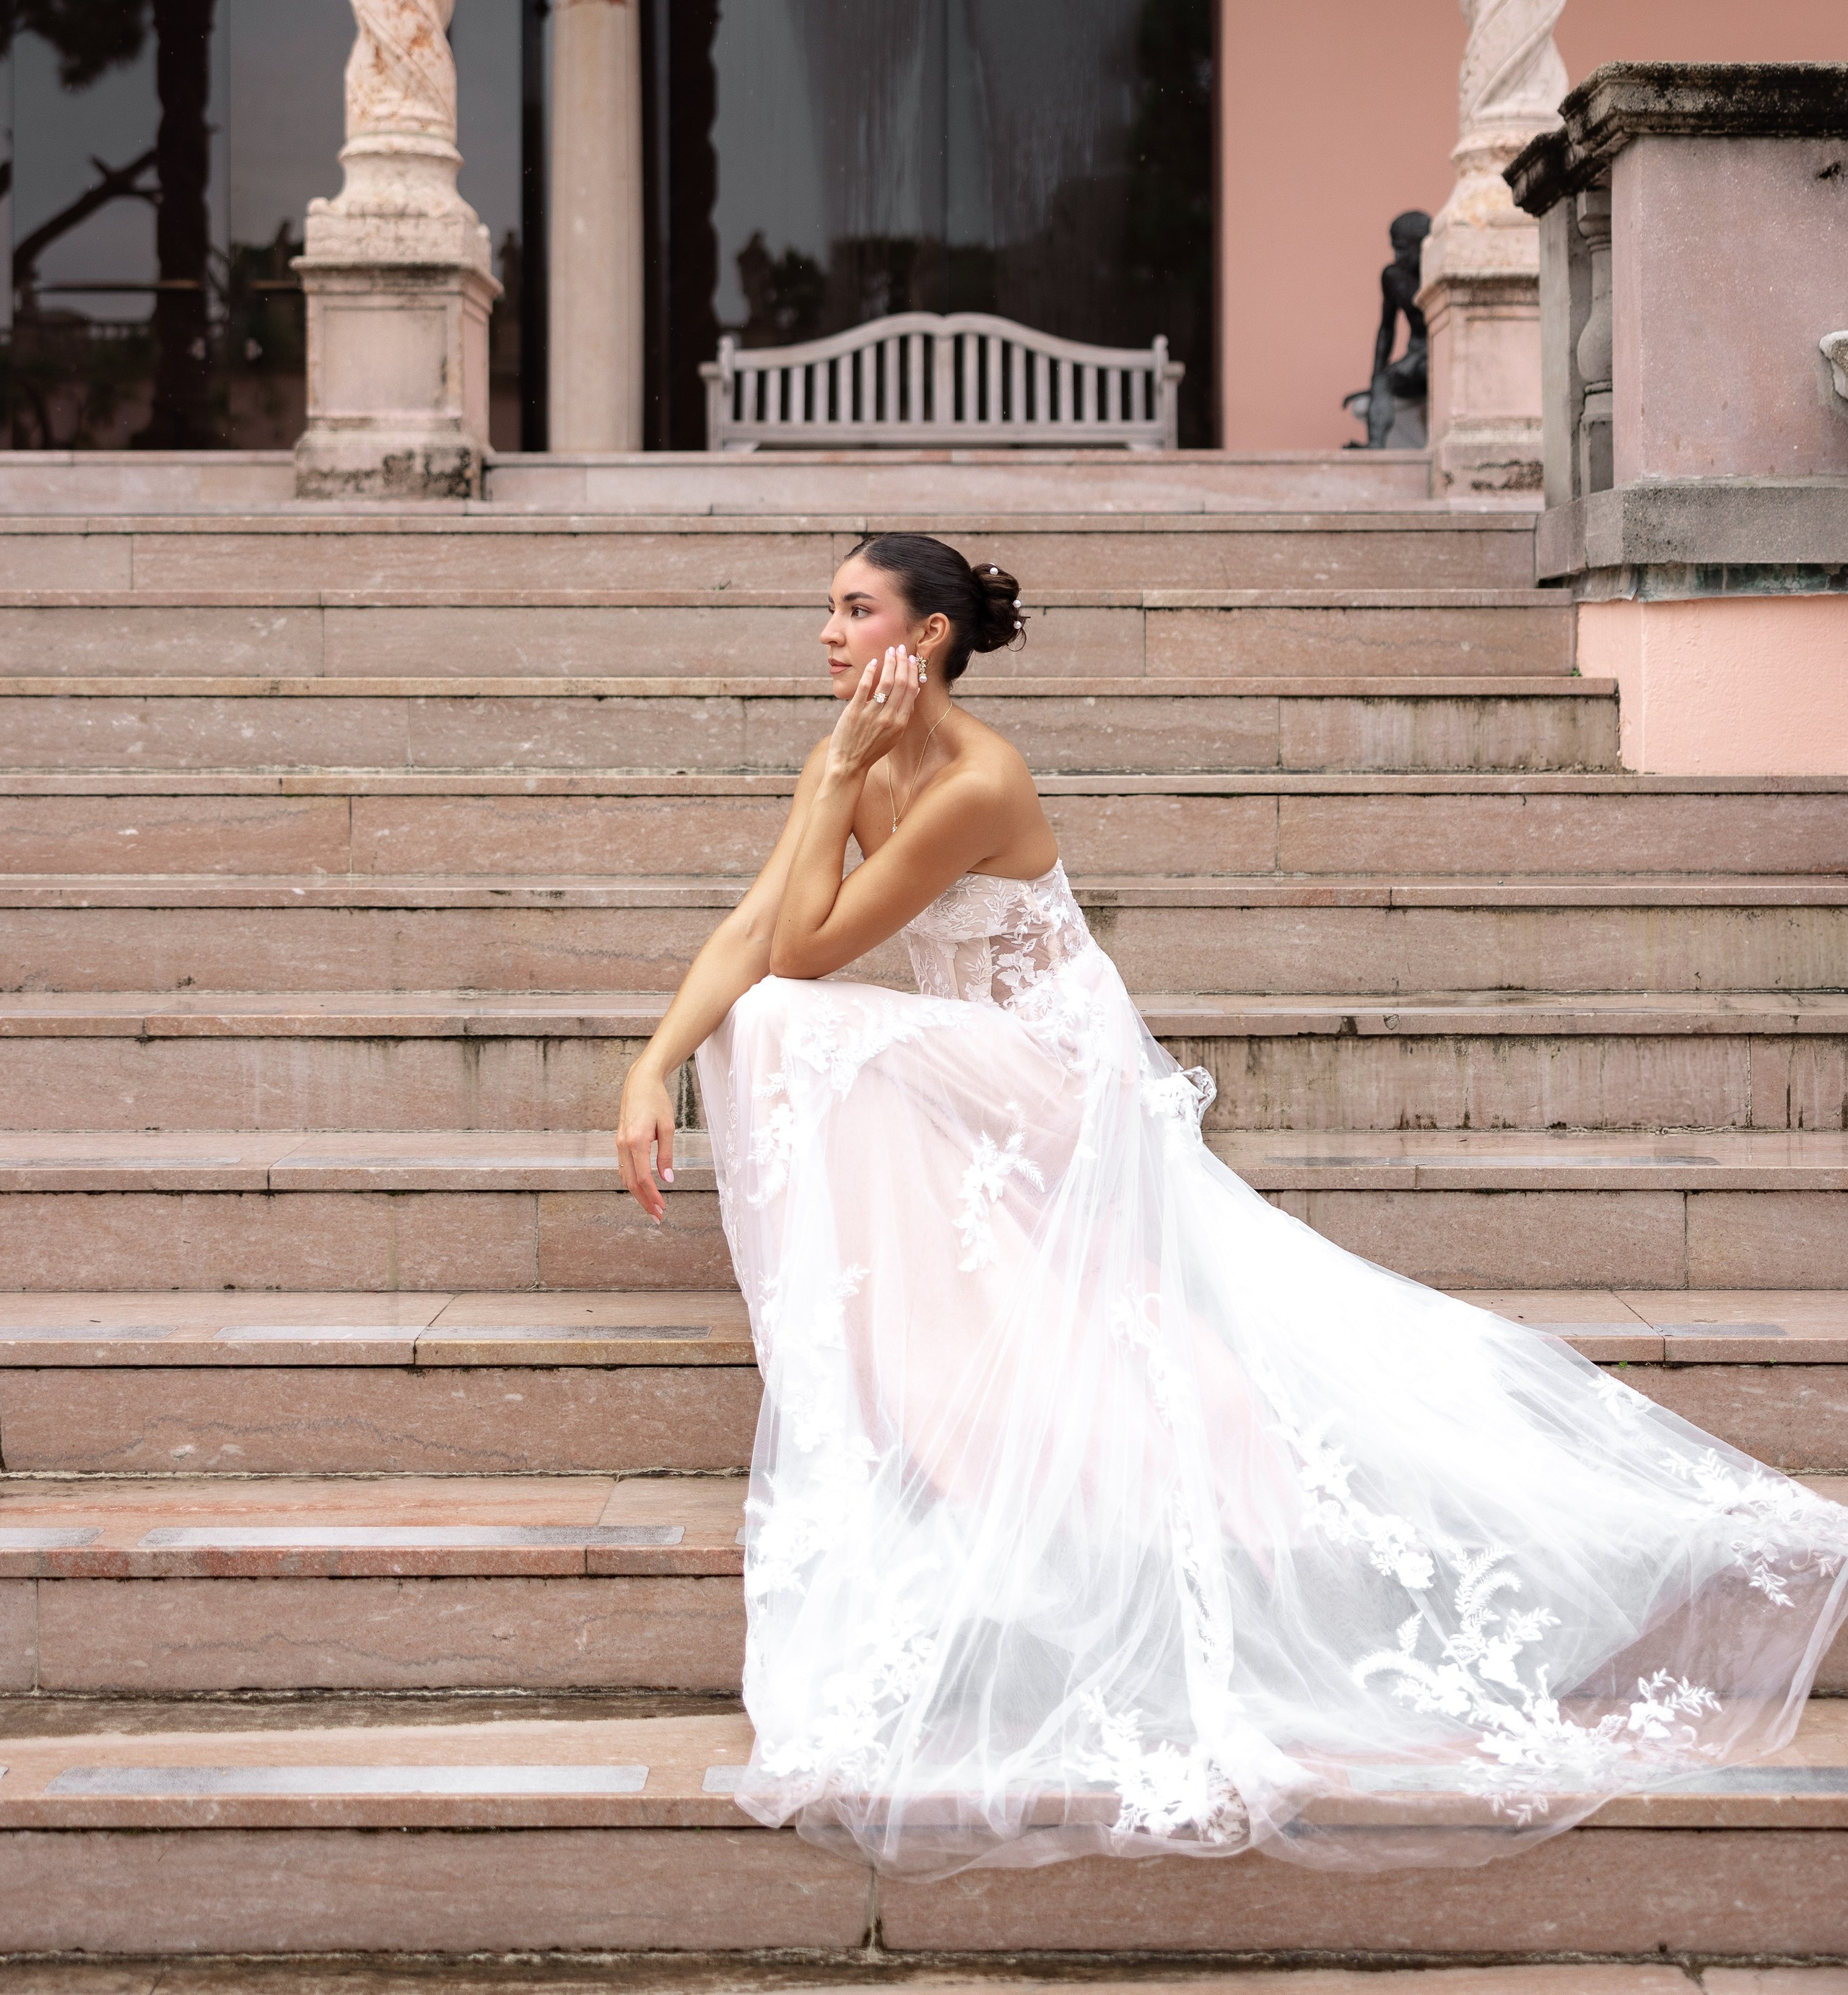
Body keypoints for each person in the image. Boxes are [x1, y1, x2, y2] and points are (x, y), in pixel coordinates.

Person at [617, 532, 1847, 1878]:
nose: (829, 635)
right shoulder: (849, 757)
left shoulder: (977, 780)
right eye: (829, 611)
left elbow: (800, 951)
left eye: (855, 612)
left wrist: (838, 777)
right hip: (976, 1064)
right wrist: (653, 1063)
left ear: (927, 642)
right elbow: (754, 926)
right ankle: (932, 1367)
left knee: (798, 1025)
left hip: (1055, 1078)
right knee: (770, 1029)